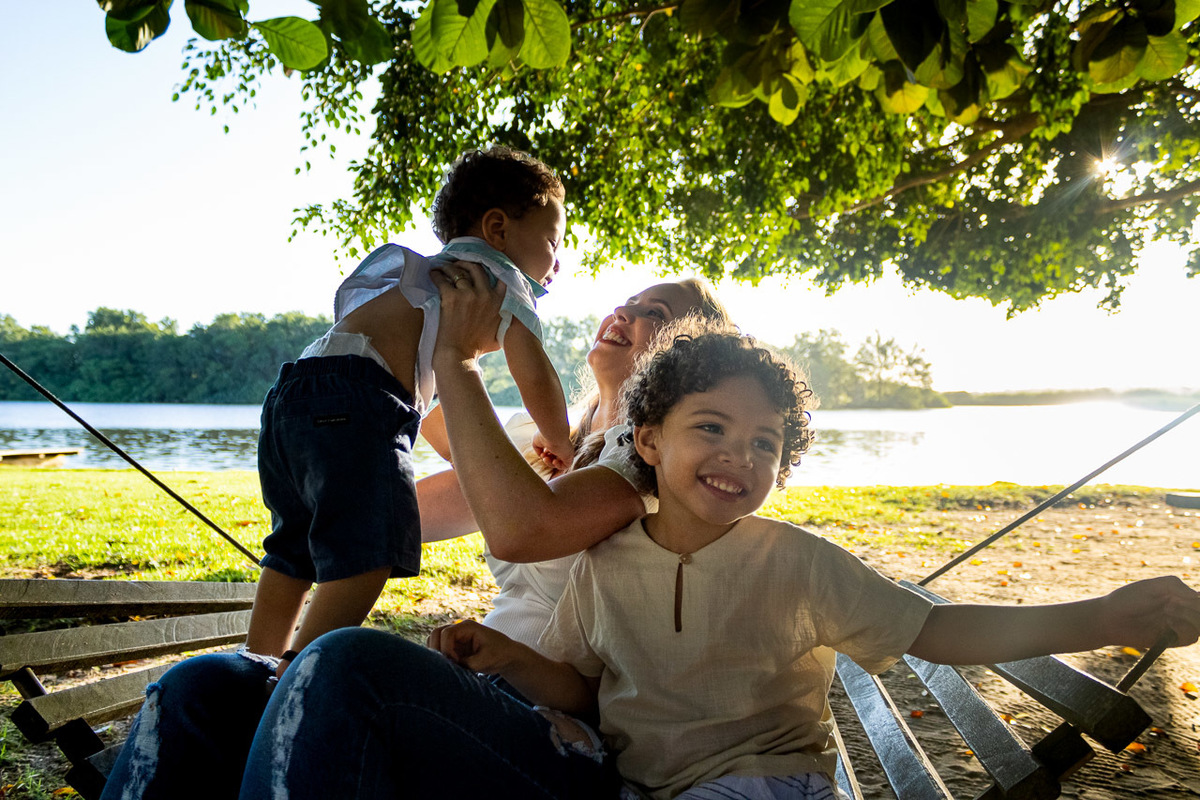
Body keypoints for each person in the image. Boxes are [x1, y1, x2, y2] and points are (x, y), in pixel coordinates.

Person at [425, 322, 1200, 800]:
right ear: (650, 440)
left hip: (764, 783)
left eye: (765, 444)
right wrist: (505, 657)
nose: (740, 455)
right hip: (648, 785)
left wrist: (1098, 617)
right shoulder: (606, 564)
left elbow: (935, 630)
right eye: (713, 428)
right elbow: (580, 683)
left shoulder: (794, 563)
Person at [98, 277, 732, 800]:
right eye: (629, 299)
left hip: (565, 742)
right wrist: (338, 418)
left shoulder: (655, 464)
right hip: (478, 697)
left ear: (688, 355)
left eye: (655, 312)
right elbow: (386, 517)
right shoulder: (549, 447)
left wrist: (453, 360)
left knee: (347, 662)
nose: (624, 310)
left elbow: (521, 530)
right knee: (206, 685)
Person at [245, 146, 574, 677]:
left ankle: (254, 663)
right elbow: (533, 371)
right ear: (498, 228)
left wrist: (477, 461)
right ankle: (297, 673)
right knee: (369, 547)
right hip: (360, 396)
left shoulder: (440, 278)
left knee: (294, 546)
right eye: (553, 242)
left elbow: (437, 404)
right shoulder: (495, 278)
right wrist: (558, 438)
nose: (558, 262)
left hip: (297, 390)